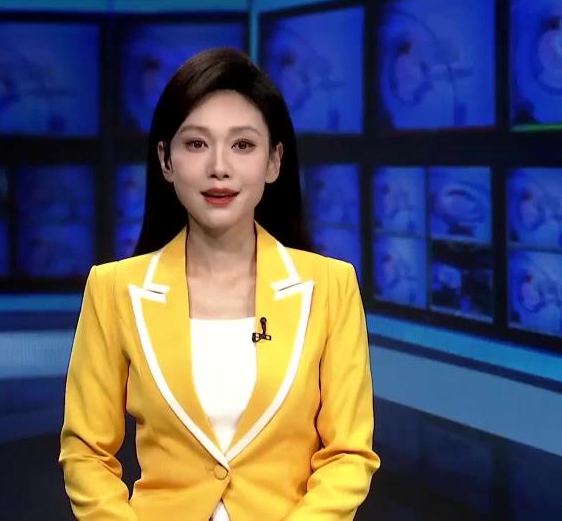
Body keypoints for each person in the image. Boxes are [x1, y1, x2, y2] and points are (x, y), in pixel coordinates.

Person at [59, 47, 379, 520]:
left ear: (274, 162)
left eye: (242, 145)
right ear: (166, 161)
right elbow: (86, 453)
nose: (219, 167)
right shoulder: (114, 290)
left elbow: (348, 454)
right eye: (196, 144)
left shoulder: (330, 287)